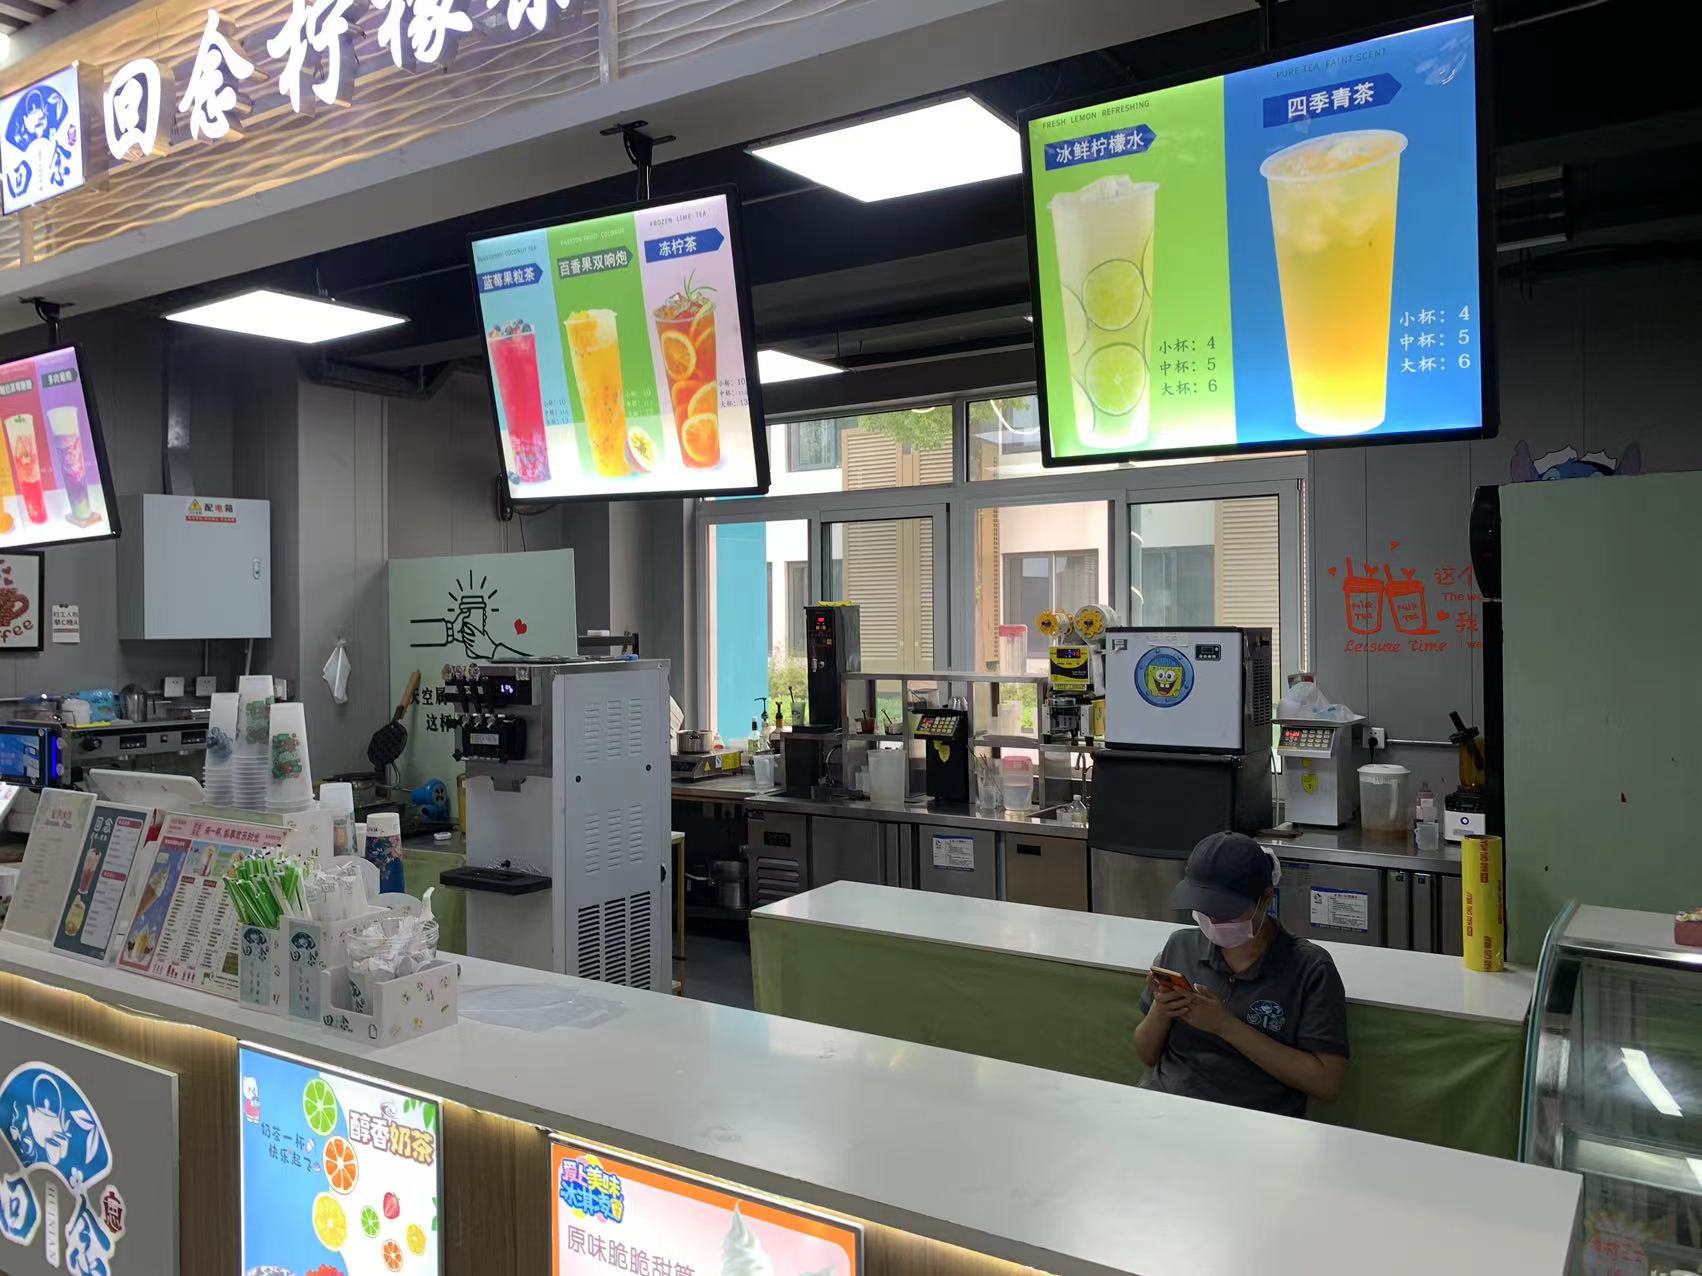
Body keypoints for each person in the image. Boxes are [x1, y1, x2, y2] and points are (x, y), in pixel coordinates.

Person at [1132, 831, 1349, 1116]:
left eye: (1227, 911)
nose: (1213, 920)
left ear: (1266, 899)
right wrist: (1161, 1011)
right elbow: (1146, 1055)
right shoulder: (1180, 947)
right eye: (1204, 908)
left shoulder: (1310, 968)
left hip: (1254, 1123)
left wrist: (1225, 1026)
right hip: (1165, 1108)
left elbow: (1326, 1084)